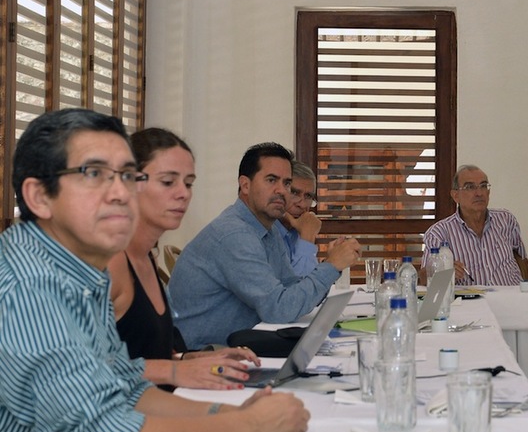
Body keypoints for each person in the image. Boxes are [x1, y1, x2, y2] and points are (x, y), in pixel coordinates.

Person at [0, 109, 309, 432]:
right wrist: (252, 428)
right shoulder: (27, 288)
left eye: (127, 176)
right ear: (39, 196)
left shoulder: (79, 271)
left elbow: (126, 387)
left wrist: (234, 414)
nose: (120, 192)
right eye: (95, 174)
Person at [107, 127, 261, 391]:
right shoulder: (109, 263)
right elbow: (82, 370)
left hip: (160, 403)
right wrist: (178, 369)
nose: (184, 193)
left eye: (188, 183)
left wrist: (196, 358)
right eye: (168, 182)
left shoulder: (146, 257)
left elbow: (143, 353)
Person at [168, 142, 361, 349]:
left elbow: (290, 287)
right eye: (271, 180)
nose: (282, 191)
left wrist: (329, 264)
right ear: (245, 185)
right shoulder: (234, 234)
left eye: (287, 183)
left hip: (240, 344)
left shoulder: (266, 228)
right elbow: (279, 309)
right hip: (203, 355)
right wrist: (331, 267)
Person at [421, 165, 527, 286]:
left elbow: (522, 259)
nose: (479, 193)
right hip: (470, 301)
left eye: (483, 186)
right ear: (455, 196)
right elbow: (424, 278)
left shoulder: (506, 219)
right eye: (470, 187)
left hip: (511, 297)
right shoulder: (439, 233)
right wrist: (444, 273)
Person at [274, 161, 321, 276]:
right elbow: (297, 289)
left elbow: (312, 288)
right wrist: (307, 238)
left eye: (308, 196)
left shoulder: (297, 230)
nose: (303, 205)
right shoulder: (266, 232)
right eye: (294, 193)